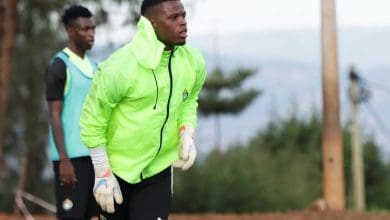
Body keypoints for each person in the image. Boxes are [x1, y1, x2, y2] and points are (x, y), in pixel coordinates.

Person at [79, 0, 206, 219]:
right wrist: (102, 172)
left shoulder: (193, 61)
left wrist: (186, 131)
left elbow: (188, 99)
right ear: (151, 24)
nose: (183, 23)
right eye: (173, 18)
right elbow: (92, 121)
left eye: (183, 16)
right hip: (115, 173)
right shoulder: (119, 67)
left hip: (158, 172)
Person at [45, 5, 99, 220]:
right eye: (85, 29)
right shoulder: (59, 66)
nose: (91, 34)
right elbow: (54, 115)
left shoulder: (94, 67)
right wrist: (64, 160)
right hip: (71, 161)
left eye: (93, 29)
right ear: (69, 31)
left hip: (95, 156)